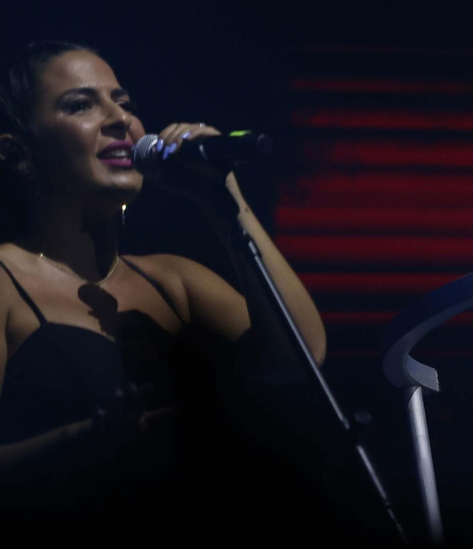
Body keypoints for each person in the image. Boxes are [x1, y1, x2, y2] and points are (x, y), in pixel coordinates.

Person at [0, 41, 326, 521]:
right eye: (82, 104)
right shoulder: (5, 279)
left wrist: (224, 197)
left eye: (125, 103)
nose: (121, 120)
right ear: (18, 152)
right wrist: (87, 440)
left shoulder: (173, 279)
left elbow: (300, 358)